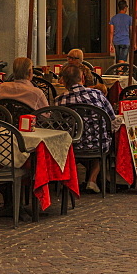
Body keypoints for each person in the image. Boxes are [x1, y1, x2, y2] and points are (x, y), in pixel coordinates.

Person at [55, 64, 118, 194]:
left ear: (64, 82)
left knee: (79, 141)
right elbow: (111, 117)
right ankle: (92, 179)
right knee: (104, 140)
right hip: (98, 144)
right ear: (82, 78)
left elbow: (56, 124)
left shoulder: (59, 100)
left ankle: (70, 180)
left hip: (72, 144)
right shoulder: (96, 94)